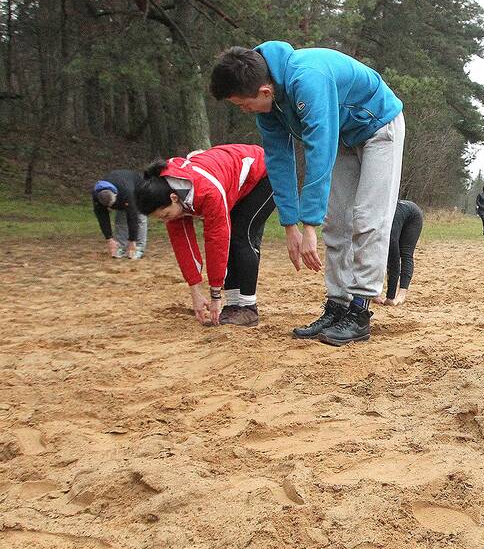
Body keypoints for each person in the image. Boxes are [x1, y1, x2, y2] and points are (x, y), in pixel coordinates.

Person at [209, 42, 404, 346]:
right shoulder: (270, 106)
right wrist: (290, 225)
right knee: (337, 222)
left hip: (379, 127)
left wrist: (309, 223)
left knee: (368, 218)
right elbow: (279, 162)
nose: (244, 110)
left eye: (242, 104)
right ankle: (337, 306)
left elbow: (319, 151)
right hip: (343, 136)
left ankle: (360, 310)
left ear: (263, 92)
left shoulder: (307, 78)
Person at [135, 145, 274, 327]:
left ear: (174, 198)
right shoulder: (167, 192)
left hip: (265, 173)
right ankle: (233, 306)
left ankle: (248, 308)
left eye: (165, 215)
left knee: (240, 235)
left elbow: (217, 240)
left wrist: (215, 295)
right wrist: (195, 291)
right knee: (233, 236)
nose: (166, 220)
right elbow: (184, 248)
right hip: (234, 184)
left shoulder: (206, 191)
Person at [375, 200, 424, 306]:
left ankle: (401, 294)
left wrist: (390, 298)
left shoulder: (389, 230)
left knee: (405, 253)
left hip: (412, 217)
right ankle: (373, 291)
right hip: (397, 216)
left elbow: (394, 261)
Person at [92, 169, 147, 259]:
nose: (110, 208)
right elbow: (102, 217)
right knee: (120, 220)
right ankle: (121, 246)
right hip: (121, 191)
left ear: (115, 195)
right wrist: (109, 238)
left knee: (139, 217)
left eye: (112, 205)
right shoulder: (96, 195)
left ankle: (138, 248)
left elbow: (132, 217)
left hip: (138, 190)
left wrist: (132, 240)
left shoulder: (127, 192)